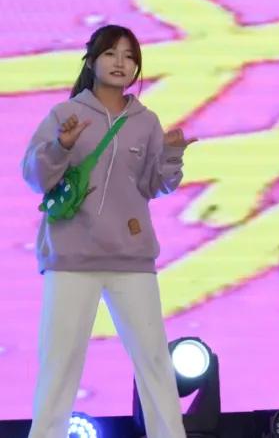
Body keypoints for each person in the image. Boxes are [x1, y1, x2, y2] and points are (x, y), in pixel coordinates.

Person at [22, 25, 196, 438]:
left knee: (154, 360)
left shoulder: (145, 121)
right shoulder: (65, 114)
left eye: (129, 56)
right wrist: (62, 146)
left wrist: (172, 155)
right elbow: (35, 176)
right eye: (111, 54)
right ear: (92, 60)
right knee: (59, 364)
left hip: (131, 258)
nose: (121, 63)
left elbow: (155, 186)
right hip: (71, 259)